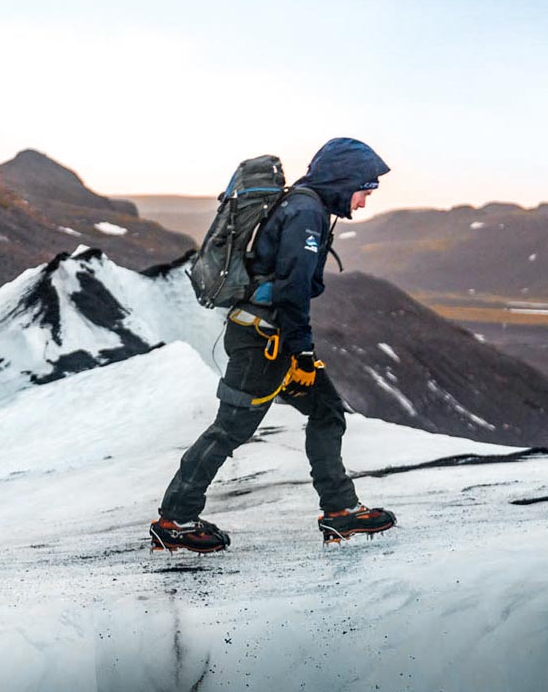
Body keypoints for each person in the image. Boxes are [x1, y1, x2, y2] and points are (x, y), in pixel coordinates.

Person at [151, 137, 398, 552]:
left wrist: (299, 349)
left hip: (269, 338)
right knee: (230, 428)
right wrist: (302, 351)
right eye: (364, 191)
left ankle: (340, 510)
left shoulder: (304, 206)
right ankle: (175, 519)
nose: (362, 202)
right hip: (263, 344)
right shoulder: (306, 213)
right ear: (344, 180)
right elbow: (292, 288)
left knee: (327, 412)